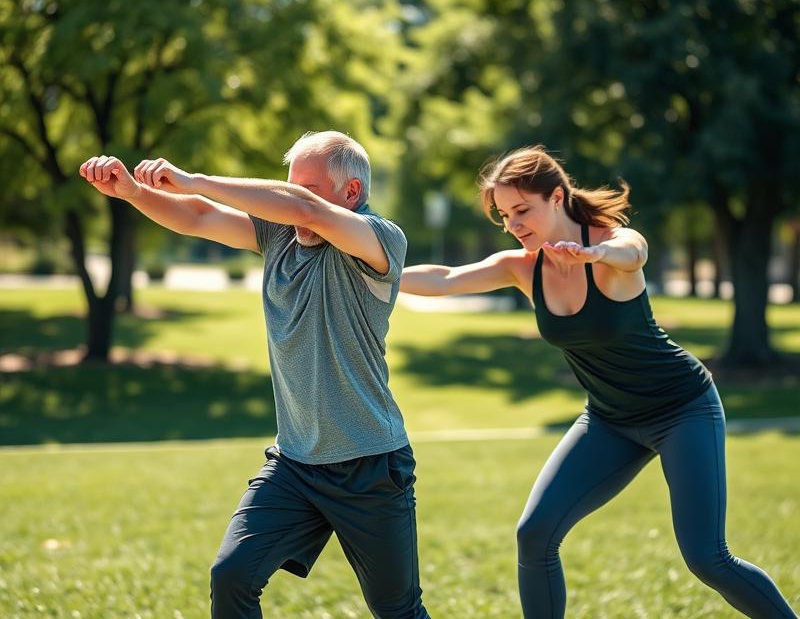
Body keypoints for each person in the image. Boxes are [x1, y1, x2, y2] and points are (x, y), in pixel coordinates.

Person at [400, 145, 797, 618]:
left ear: (557, 197)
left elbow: (634, 251)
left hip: (682, 409)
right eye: (505, 215)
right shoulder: (522, 267)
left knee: (707, 558)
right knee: (535, 533)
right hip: (609, 420)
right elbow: (445, 277)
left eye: (522, 210)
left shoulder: (611, 247)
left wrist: (594, 253)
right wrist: (372, 268)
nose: (514, 225)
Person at [79, 131, 431, 619]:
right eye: (288, 187)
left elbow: (305, 210)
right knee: (232, 576)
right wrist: (135, 193)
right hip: (295, 462)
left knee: (398, 610)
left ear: (351, 193)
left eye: (302, 190)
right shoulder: (279, 236)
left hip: (370, 466)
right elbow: (200, 217)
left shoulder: (380, 240)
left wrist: (193, 179)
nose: (287, 202)